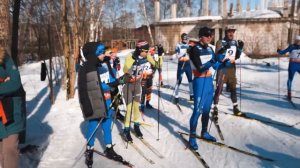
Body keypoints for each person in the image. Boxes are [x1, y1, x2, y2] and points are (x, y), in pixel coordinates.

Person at [78, 42, 124, 168]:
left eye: (105, 52)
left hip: (107, 101)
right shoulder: (87, 68)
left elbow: (109, 80)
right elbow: (89, 87)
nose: (105, 54)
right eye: (102, 52)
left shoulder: (102, 66)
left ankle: (109, 148)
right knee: (93, 126)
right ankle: (89, 149)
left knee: (107, 125)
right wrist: (86, 106)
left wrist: (120, 80)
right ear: (95, 54)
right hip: (95, 103)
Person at [188, 27, 229, 150]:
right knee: (198, 110)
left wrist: (223, 64)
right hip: (199, 80)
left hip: (209, 81)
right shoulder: (194, 49)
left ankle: (204, 132)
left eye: (210, 35)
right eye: (206, 35)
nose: (209, 37)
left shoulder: (210, 49)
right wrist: (213, 60)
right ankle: (192, 137)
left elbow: (215, 66)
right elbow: (200, 68)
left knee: (206, 109)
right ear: (201, 36)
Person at [122, 40, 162, 142]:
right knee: (129, 108)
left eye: (148, 51)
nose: (147, 53)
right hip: (128, 85)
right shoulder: (130, 56)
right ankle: (126, 130)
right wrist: (133, 60)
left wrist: (160, 55)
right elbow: (125, 69)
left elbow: (158, 65)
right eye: (145, 51)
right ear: (140, 50)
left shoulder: (147, 56)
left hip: (137, 85)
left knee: (136, 107)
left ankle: (136, 126)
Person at [0, 47, 26, 168]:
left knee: (10, 149)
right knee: (1, 154)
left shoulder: (4, 58)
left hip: (11, 111)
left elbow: (15, 82)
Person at [212, 25, 245, 117]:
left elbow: (236, 56)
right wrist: (224, 49)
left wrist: (240, 48)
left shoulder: (234, 42)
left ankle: (235, 108)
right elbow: (217, 56)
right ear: (226, 32)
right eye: (229, 31)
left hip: (231, 69)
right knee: (219, 89)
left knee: (233, 89)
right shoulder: (220, 42)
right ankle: (215, 107)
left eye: (233, 31)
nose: (231, 33)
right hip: (222, 69)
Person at [277, 35, 300, 100]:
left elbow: (282, 52)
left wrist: (279, 51)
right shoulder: (291, 46)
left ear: (295, 40)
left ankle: (289, 93)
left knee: (290, 79)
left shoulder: (291, 47)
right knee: (290, 79)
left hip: (292, 65)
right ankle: (289, 94)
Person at [173, 33, 194, 104]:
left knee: (190, 80)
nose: (186, 40)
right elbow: (176, 55)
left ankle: (191, 95)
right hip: (181, 64)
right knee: (178, 80)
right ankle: (176, 97)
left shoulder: (189, 45)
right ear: (182, 38)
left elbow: (192, 54)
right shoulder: (178, 45)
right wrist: (183, 54)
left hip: (188, 65)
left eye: (186, 38)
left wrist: (190, 51)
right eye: (184, 39)